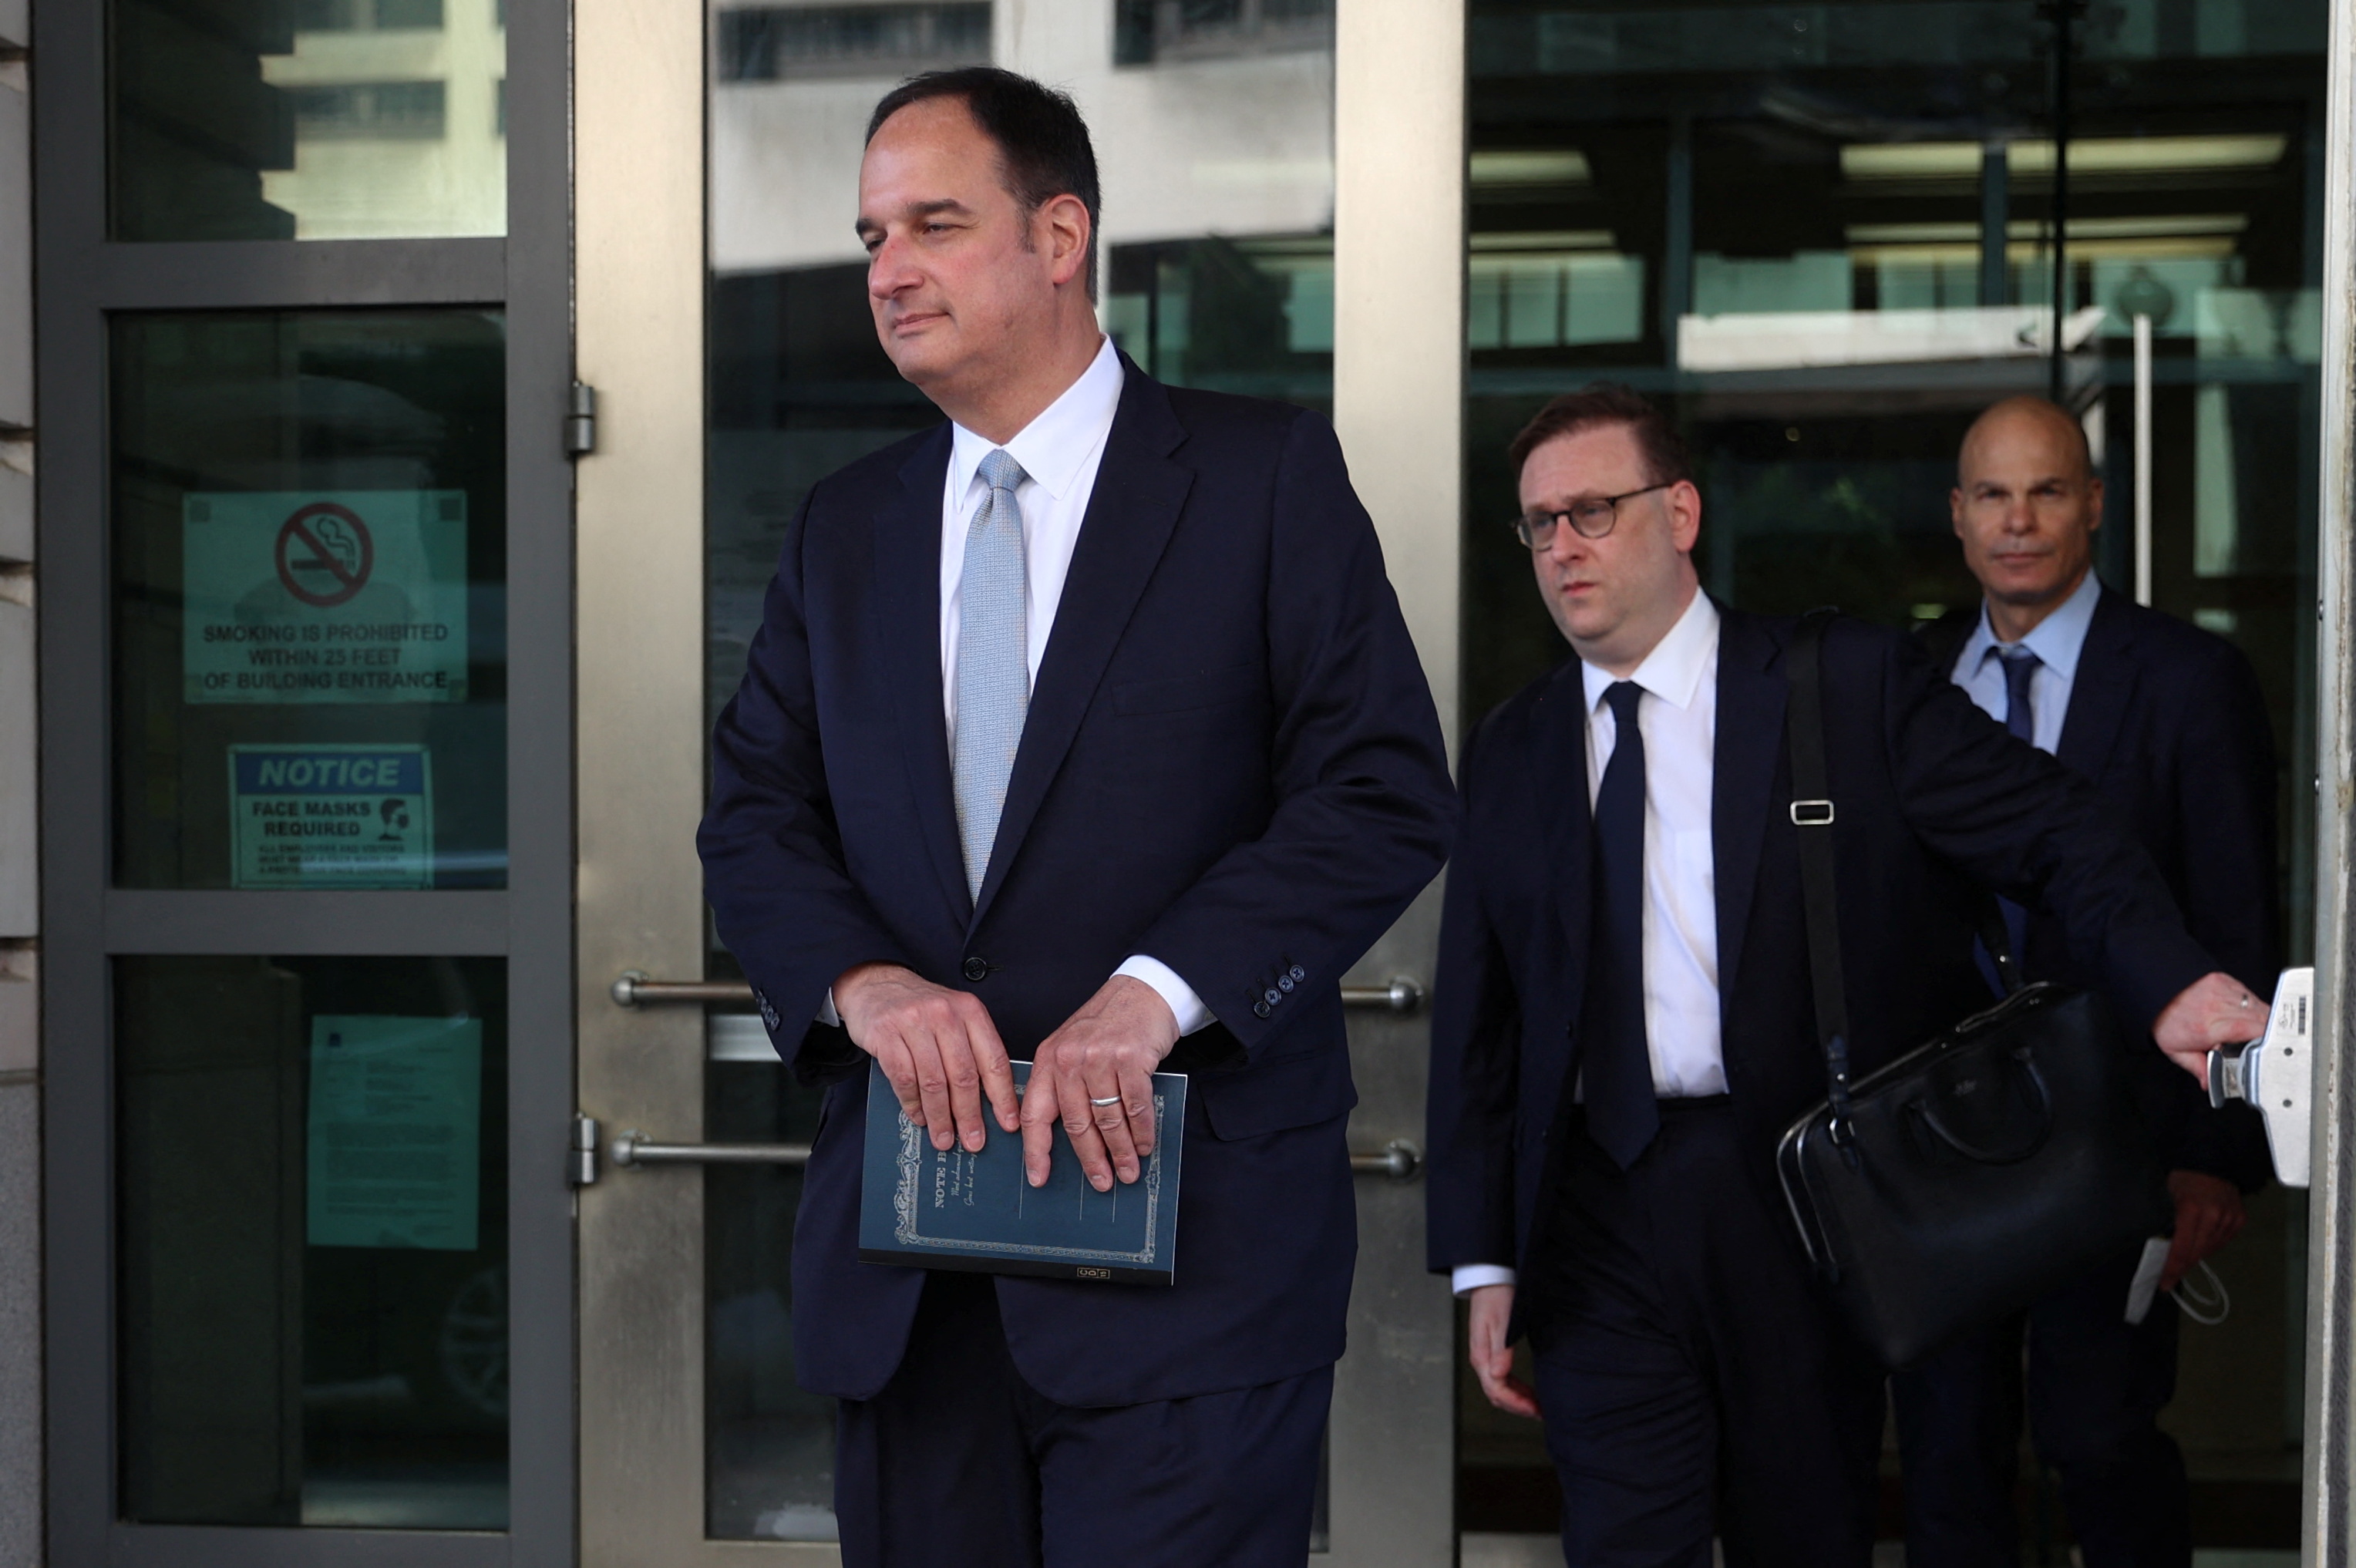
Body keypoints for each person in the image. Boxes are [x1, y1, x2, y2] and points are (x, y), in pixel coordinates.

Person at [698, 67, 1455, 1568]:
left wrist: (1158, 997)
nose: (888, 270)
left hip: (1188, 1264)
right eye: (868, 238)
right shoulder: (845, 528)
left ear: (1059, 236)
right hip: (913, 1277)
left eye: (933, 223)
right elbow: (752, 818)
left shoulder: (1259, 478)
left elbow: (1379, 788)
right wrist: (867, 984)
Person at [1422, 382, 2270, 1567]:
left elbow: (2058, 830)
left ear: (1680, 513)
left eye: (1593, 511)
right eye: (1539, 523)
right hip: (1592, 1212)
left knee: (1802, 1529)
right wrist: (1486, 1257)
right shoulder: (1515, 745)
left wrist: (2175, 985)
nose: (1562, 546)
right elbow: (1483, 1009)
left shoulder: (1842, 687)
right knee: (1622, 1538)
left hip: (1794, 1191)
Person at [1891, 395, 2278, 1568]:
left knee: (2099, 1438)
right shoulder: (1900, 684)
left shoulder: (2189, 679)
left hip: (2126, 1141)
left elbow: (2235, 917)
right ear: (1957, 517)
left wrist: (2216, 1148)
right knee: (1947, 1457)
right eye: (1994, 495)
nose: (2020, 522)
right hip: (1939, 1157)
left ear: (2095, 504)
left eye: (2048, 490)